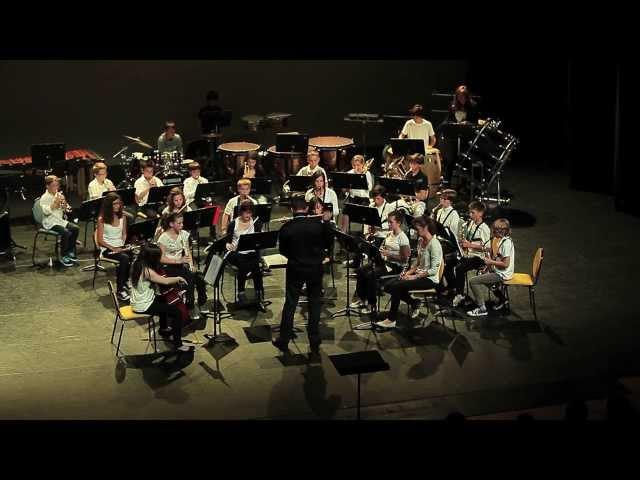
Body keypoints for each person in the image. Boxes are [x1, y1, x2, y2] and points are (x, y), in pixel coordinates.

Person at [272, 195, 333, 354]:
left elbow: (283, 251)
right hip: (315, 268)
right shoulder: (318, 226)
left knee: (291, 303)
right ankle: (314, 339)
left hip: (295, 268)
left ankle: (284, 339)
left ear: (292, 210)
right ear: (306, 209)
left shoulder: (287, 228)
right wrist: (325, 222)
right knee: (314, 303)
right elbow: (328, 243)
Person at [376, 216, 443, 329]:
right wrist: (408, 272)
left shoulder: (434, 244)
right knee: (387, 285)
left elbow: (433, 270)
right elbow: (417, 262)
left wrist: (414, 277)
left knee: (397, 286)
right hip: (419, 274)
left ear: (425, 227)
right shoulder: (421, 241)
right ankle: (413, 302)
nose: (416, 231)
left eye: (417, 228)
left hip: (430, 279)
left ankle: (391, 319)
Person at [130, 244, 193, 353]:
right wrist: (179, 278)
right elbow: (165, 281)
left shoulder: (137, 263)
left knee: (163, 300)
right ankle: (178, 344)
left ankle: (164, 329)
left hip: (138, 301)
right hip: (144, 305)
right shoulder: (147, 271)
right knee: (177, 312)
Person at [351, 211, 410, 314]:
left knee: (371, 275)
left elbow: (405, 259)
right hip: (384, 263)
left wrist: (389, 254)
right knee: (360, 271)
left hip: (395, 267)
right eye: (388, 222)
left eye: (391, 222)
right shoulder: (390, 234)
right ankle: (361, 299)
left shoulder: (402, 238)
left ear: (398, 223)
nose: (389, 224)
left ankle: (371, 304)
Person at [157, 212, 209, 320]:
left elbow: (187, 251)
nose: (182, 225)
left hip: (181, 265)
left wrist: (191, 264)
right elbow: (161, 258)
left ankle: (202, 302)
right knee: (189, 278)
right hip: (169, 267)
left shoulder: (184, 234)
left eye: (182, 223)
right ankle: (190, 306)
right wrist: (178, 261)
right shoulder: (163, 238)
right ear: (171, 224)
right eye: (179, 223)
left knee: (199, 278)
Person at [466, 218, 515, 317]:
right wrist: (486, 269)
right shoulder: (500, 240)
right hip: (498, 271)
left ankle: (481, 308)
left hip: (502, 274)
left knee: (473, 281)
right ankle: (502, 299)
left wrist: (490, 261)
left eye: (494, 230)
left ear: (501, 231)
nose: (492, 232)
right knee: (485, 278)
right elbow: (496, 257)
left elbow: (505, 264)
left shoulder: (506, 243)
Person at [225, 201, 267, 312]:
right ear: (241, 212)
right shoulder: (233, 224)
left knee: (256, 268)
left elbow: (260, 240)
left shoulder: (256, 223)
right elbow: (227, 241)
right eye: (246, 213)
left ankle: (259, 295)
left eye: (250, 213)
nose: (248, 215)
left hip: (252, 253)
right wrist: (229, 245)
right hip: (236, 253)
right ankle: (241, 293)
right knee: (245, 264)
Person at [450, 201, 491, 308]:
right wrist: (462, 242)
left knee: (460, 268)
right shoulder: (471, 223)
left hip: (480, 257)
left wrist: (470, 245)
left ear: (480, 213)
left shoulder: (484, 228)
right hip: (469, 254)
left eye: (473, 213)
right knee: (450, 262)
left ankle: (459, 294)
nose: (470, 215)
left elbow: (488, 248)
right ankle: (455, 289)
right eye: (470, 213)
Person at [96, 193, 131, 301]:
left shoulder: (123, 217)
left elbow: (124, 233)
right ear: (108, 205)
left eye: (118, 203)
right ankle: (120, 289)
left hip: (120, 246)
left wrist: (123, 243)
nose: (117, 206)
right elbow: (100, 240)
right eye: (114, 204)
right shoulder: (102, 219)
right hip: (107, 248)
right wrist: (113, 248)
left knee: (134, 254)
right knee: (124, 258)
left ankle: (125, 281)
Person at [39, 175, 80, 267]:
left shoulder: (58, 194)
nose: (56, 188)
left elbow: (67, 210)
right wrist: (55, 204)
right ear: (47, 186)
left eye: (57, 185)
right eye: (53, 186)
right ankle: (64, 255)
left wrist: (64, 204)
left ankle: (70, 250)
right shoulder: (44, 197)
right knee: (66, 233)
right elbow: (46, 212)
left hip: (59, 221)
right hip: (50, 222)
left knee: (75, 228)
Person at [340, 155, 373, 232]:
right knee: (345, 211)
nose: (356, 167)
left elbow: (370, 188)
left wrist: (362, 178)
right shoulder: (349, 173)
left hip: (364, 200)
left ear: (362, 165)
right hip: (353, 199)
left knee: (366, 215)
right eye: (354, 165)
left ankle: (365, 233)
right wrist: (347, 188)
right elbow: (344, 189)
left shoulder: (367, 173)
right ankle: (343, 233)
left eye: (358, 165)